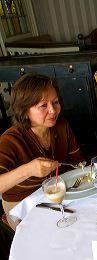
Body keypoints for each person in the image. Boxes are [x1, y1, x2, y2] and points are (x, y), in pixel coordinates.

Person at [0, 74, 84, 230]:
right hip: (23, 206)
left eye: (55, 102)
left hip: (60, 196)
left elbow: (77, 162)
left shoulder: (62, 126)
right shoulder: (10, 140)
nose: (53, 110)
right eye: (43, 105)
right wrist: (27, 170)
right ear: (24, 110)